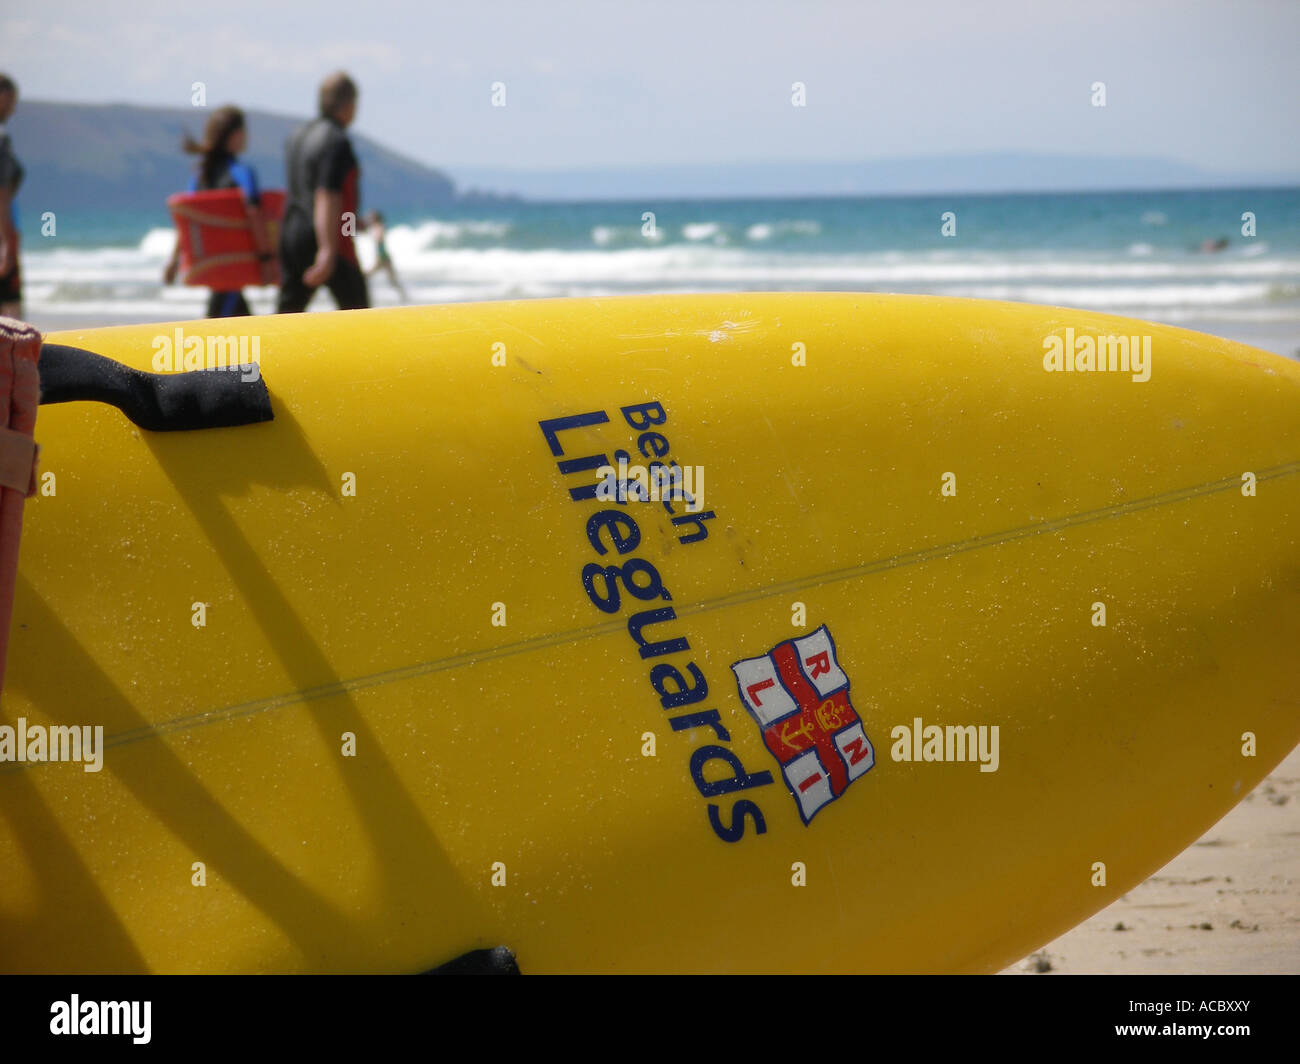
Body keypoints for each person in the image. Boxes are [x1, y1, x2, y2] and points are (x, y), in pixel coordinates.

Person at [164, 106, 276, 317]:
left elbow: (186, 220)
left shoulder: (199, 175)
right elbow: (254, 214)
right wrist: (266, 258)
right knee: (227, 325)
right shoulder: (241, 173)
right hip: (234, 262)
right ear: (233, 135)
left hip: (212, 263)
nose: (247, 137)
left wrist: (174, 261)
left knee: (228, 322)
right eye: (244, 132)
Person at [277, 72, 369, 313]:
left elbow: (300, 191)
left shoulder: (297, 137)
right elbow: (327, 194)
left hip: (291, 236)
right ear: (347, 105)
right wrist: (328, 249)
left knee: (287, 317)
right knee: (361, 317)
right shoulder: (336, 140)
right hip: (327, 238)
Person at [0, 75, 24, 321]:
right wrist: (8, 242)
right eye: (10, 100)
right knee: (12, 321)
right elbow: (2, 192)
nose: (13, 107)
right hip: (3, 233)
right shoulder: (2, 139)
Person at [362, 209, 407, 302]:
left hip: (382, 257)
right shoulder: (378, 227)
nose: (369, 219)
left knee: (366, 276)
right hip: (384, 257)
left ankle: (404, 297)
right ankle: (404, 297)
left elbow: (379, 238)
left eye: (371, 218)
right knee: (392, 280)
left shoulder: (379, 227)